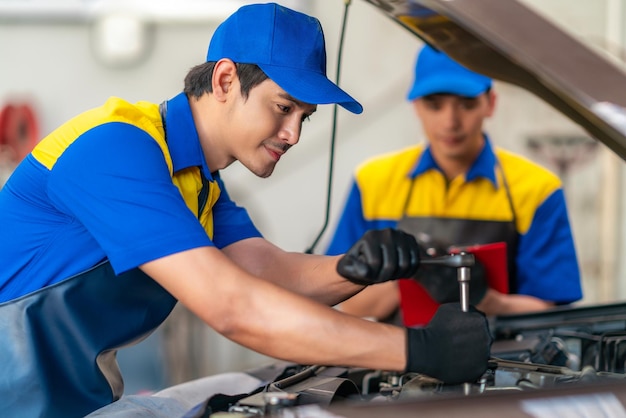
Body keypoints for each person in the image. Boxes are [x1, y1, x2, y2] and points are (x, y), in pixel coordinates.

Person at [0, 5, 493, 418]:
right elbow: (235, 308)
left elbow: (271, 273)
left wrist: (359, 268)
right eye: (283, 108)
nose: (294, 135)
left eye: (305, 117)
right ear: (226, 79)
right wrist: (416, 350)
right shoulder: (116, 149)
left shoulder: (198, 183)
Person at [326, 44, 583, 327]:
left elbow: (550, 311)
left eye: (467, 104)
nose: (450, 122)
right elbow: (341, 297)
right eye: (435, 105)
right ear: (416, 107)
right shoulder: (373, 181)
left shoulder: (537, 190)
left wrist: (487, 299)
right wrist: (413, 278)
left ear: (491, 103)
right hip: (395, 359)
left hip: (499, 361)